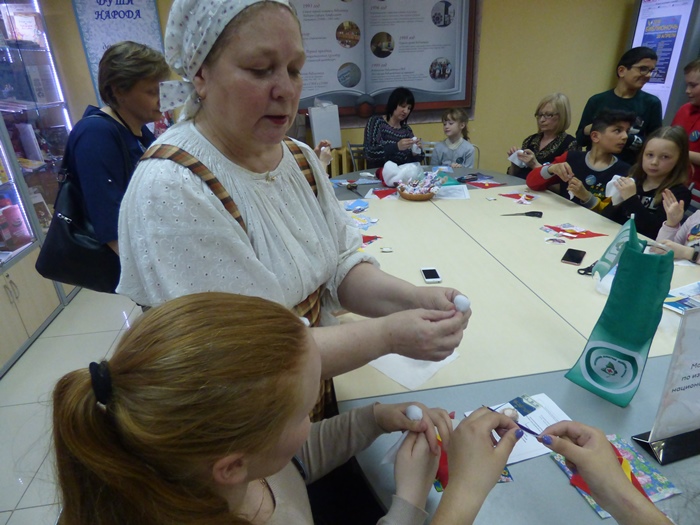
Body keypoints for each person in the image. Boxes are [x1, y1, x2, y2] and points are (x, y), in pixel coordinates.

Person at [52, 292, 672, 525]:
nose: (313, 420)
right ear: (232, 466)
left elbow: (290, 465)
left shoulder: (209, 466)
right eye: (307, 409)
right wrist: (434, 500)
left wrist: (371, 420)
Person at [117, 0, 469, 399]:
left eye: (295, 69)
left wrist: (412, 300)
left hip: (306, 399)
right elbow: (251, 357)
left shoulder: (297, 158)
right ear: (200, 74)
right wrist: (389, 335)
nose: (286, 89)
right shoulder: (173, 187)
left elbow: (339, 267)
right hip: (252, 422)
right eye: (260, 69)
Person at [64, 41, 170, 255]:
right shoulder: (95, 134)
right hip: (123, 259)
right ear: (118, 90)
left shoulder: (137, 130)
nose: (163, 100)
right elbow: (112, 229)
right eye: (152, 92)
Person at [526, 109, 634, 211]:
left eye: (627, 131)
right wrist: (551, 169)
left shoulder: (625, 172)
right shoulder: (570, 158)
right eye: (618, 130)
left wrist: (587, 197)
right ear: (595, 136)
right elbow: (531, 182)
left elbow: (613, 215)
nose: (625, 136)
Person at [576, 47, 662, 166]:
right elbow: (580, 139)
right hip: (594, 166)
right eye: (643, 69)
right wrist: (593, 129)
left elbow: (655, 144)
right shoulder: (597, 101)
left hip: (628, 169)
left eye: (651, 70)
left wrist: (624, 137)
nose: (648, 75)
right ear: (622, 71)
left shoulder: (651, 103)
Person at [602, 126, 692, 238]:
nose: (654, 162)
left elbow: (653, 232)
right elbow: (606, 218)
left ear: (679, 160)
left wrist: (630, 199)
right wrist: (616, 201)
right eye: (650, 155)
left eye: (665, 157)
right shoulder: (633, 179)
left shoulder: (678, 193)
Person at [507, 93, 577, 179]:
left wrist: (534, 165)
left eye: (548, 115)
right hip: (520, 186)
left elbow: (565, 182)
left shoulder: (570, 144)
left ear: (562, 117)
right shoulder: (530, 140)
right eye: (540, 115)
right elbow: (512, 176)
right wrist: (514, 161)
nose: (542, 120)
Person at [363, 87, 424, 168]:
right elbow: (369, 153)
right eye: (403, 106)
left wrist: (415, 152)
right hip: (377, 172)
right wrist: (396, 147)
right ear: (393, 104)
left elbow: (411, 163)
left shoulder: (406, 130)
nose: (405, 111)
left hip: (401, 174)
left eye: (409, 108)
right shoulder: (376, 122)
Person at [671, 58, 700, 207]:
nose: (687, 91)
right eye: (687, 85)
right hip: (673, 188)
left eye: (693, 85)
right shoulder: (684, 110)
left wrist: (678, 153)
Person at [654, 189, 700, 264]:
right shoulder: (697, 216)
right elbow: (662, 249)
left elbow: (680, 251)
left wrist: (688, 253)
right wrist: (671, 225)